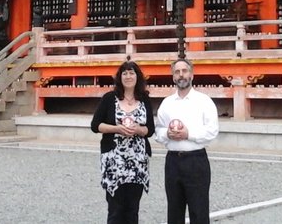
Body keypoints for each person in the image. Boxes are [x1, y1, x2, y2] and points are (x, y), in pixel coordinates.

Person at [154, 58, 219, 224]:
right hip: (173, 161)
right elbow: (158, 130)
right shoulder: (166, 103)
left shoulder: (204, 101)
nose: (181, 75)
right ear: (173, 76)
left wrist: (188, 134)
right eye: (177, 72)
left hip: (195, 160)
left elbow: (212, 131)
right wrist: (167, 134)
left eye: (184, 71)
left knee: (199, 210)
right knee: (174, 211)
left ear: (192, 74)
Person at [90, 60, 155, 224]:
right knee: (115, 209)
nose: (128, 76)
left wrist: (138, 130)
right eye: (124, 73)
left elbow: (150, 129)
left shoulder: (144, 99)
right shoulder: (109, 98)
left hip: (138, 162)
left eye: (131, 73)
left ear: (137, 76)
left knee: (133, 209)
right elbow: (95, 125)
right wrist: (117, 129)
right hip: (114, 161)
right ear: (119, 77)